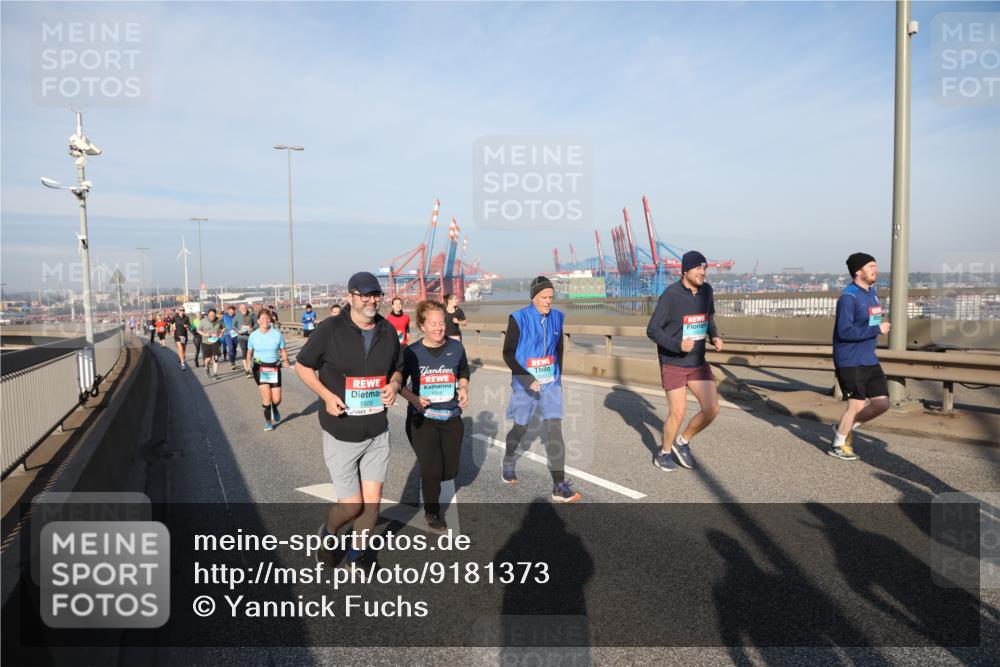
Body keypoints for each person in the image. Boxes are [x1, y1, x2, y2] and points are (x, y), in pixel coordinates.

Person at [295, 271, 403, 568]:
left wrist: (394, 385)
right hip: (341, 432)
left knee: (372, 504)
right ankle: (329, 533)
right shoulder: (330, 329)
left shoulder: (388, 331)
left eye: (376, 294)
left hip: (377, 431)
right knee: (352, 505)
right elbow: (302, 367)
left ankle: (357, 554)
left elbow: (398, 367)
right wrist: (327, 396)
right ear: (350, 297)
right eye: (364, 295)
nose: (371, 300)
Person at [500, 276, 581, 503]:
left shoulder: (557, 317)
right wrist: (527, 379)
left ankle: (559, 485)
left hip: (550, 383)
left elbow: (559, 350)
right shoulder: (519, 318)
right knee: (520, 428)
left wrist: (557, 379)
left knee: (555, 429)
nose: (548, 302)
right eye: (544, 297)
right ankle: (508, 460)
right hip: (525, 383)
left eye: (551, 298)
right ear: (533, 298)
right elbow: (507, 353)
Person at [645, 250, 723, 472]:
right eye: (698, 268)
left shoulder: (707, 291)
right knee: (678, 412)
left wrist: (714, 335)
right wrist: (676, 345)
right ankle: (664, 453)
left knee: (712, 409)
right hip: (674, 362)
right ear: (685, 270)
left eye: (705, 268)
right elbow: (652, 330)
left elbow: (709, 317)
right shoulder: (671, 295)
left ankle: (683, 441)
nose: (702, 272)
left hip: (697, 362)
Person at [399, 300, 470, 530]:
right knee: (431, 467)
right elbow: (398, 384)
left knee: (449, 470)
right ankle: (432, 511)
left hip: (450, 418)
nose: (439, 328)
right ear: (422, 325)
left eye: (442, 323)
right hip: (422, 420)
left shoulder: (456, 348)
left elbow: (463, 371)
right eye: (433, 324)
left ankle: (432, 483)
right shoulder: (411, 353)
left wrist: (464, 387)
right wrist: (414, 400)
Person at [830, 252, 891, 461]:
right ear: (858, 271)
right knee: (856, 405)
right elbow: (845, 332)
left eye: (876, 265)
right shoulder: (849, 297)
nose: (875, 269)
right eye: (871, 266)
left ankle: (843, 428)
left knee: (882, 404)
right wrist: (877, 331)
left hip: (869, 358)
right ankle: (838, 444)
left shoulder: (871, 294)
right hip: (849, 360)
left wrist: (876, 328)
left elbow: (870, 323)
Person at [246, 310, 291, 432]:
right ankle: (268, 422)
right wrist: (248, 365)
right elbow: (249, 352)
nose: (266, 320)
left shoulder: (277, 334)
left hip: (274, 367)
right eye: (263, 318)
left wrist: (286, 360)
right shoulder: (253, 335)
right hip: (259, 367)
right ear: (258, 321)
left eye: (268, 318)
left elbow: (282, 350)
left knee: (276, 399)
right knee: (266, 397)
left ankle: (274, 407)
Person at [198, 308, 225, 379]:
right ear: (208, 315)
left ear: (215, 314)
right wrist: (205, 334)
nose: (212, 317)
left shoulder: (219, 320)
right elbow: (198, 330)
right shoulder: (203, 321)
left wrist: (222, 333)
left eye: (213, 315)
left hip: (215, 341)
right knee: (208, 359)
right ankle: (206, 367)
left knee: (216, 357)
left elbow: (223, 328)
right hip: (206, 342)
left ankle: (215, 373)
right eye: (210, 315)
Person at [171, 306, 193, 371]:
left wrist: (187, 326)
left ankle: (181, 358)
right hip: (177, 334)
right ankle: (183, 363)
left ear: (184, 311)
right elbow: (171, 323)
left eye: (183, 310)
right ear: (178, 311)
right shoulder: (175, 317)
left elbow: (190, 326)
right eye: (180, 310)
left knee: (183, 349)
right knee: (180, 348)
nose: (181, 311)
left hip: (184, 335)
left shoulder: (186, 318)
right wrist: (172, 328)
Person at [236, 303, 254, 373]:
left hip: (250, 337)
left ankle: (250, 366)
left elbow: (256, 324)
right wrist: (238, 331)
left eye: (245, 307)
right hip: (241, 337)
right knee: (244, 352)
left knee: (251, 352)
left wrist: (252, 329)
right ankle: (247, 370)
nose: (243, 309)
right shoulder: (237, 315)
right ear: (239, 309)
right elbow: (232, 325)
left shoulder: (252, 315)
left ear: (247, 308)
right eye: (242, 308)